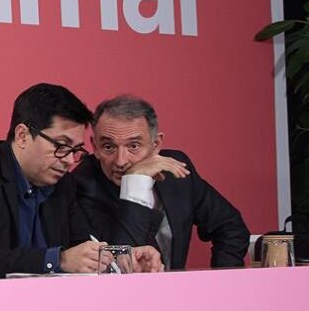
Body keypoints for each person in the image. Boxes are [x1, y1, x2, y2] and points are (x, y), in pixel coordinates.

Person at [0, 83, 159, 279]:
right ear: (22, 136)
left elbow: (84, 245)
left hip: (47, 305)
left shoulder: (63, 185)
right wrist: (57, 260)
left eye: (76, 150)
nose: (70, 160)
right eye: (61, 146)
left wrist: (121, 259)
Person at [71, 94, 249, 270]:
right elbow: (121, 266)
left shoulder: (175, 169)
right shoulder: (80, 187)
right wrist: (135, 182)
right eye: (108, 147)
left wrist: (223, 279)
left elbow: (231, 227)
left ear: (156, 144)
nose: (120, 161)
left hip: (176, 287)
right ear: (95, 147)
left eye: (134, 146)